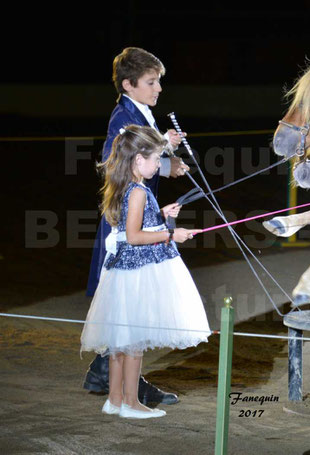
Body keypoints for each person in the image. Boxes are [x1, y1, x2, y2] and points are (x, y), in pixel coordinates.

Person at [84, 47, 190, 404]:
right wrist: (164, 163)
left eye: (158, 81)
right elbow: (117, 161)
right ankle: (124, 387)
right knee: (130, 303)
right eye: (150, 82)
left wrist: (165, 149)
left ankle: (107, 377)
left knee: (129, 304)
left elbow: (143, 151)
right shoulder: (122, 117)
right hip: (129, 220)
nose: (158, 88)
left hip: (142, 211)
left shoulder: (140, 111)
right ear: (129, 84)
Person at [81, 125, 210, 419]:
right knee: (134, 341)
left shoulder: (129, 187)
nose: (158, 164)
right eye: (155, 159)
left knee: (120, 342)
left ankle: (114, 400)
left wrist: (161, 214)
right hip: (137, 272)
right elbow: (135, 235)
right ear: (139, 160)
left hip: (123, 272)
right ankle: (131, 403)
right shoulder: (139, 191)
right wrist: (171, 235)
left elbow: (132, 223)